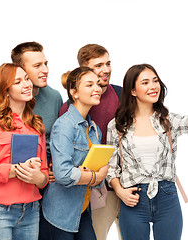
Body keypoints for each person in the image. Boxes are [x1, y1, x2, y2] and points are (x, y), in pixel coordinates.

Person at [106, 64, 188, 240]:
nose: (153, 86)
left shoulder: (167, 120)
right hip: (133, 198)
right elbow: (111, 167)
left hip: (167, 197)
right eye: (145, 82)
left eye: (155, 81)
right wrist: (120, 191)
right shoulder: (117, 126)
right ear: (133, 91)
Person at [0, 63, 49, 240]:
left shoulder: (37, 126)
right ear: (5, 91)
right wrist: (16, 170)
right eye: (18, 82)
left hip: (31, 211)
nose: (27, 84)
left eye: (27, 79)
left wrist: (39, 178)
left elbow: (43, 174)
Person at [58, 44, 122, 240]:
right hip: (97, 188)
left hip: (127, 184)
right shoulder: (69, 108)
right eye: (98, 65)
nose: (106, 70)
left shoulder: (123, 94)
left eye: (108, 63)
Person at [41, 67, 109, 239]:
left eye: (98, 84)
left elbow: (94, 171)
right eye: (89, 85)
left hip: (82, 209)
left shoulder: (94, 129)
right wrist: (95, 177)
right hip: (59, 213)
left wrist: (92, 175)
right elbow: (63, 174)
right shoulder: (64, 125)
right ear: (74, 92)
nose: (97, 89)